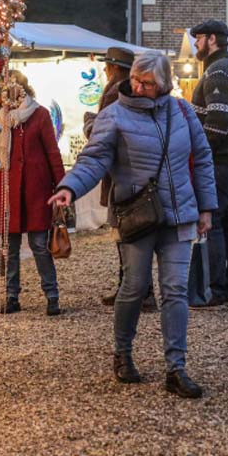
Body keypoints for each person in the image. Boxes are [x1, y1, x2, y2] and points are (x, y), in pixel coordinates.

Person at [49, 51, 217, 398]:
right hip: (137, 216)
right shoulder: (114, 116)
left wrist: (206, 208)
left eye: (148, 83)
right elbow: (94, 160)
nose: (139, 87)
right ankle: (123, 354)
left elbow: (201, 158)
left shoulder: (183, 112)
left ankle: (176, 367)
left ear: (164, 84)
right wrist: (69, 186)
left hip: (179, 216)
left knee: (175, 291)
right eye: (136, 80)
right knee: (135, 287)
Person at [0, 72, 65, 316]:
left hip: (35, 189)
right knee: (10, 247)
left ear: (23, 89)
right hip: (8, 188)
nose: (9, 93)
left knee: (39, 245)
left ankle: (51, 295)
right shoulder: (0, 118)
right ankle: (11, 296)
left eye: (14, 88)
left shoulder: (40, 115)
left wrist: (62, 186)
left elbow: (52, 152)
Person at [86, 47, 155, 311]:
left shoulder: (116, 94)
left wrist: (89, 123)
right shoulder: (124, 93)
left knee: (128, 234)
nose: (104, 71)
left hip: (121, 176)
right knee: (129, 235)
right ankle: (131, 288)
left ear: (114, 69)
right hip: (128, 174)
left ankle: (136, 291)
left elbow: (104, 134)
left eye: (106, 67)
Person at [188, 19, 228, 307]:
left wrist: (200, 154)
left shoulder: (218, 71)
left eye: (198, 38)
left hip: (222, 159)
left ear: (212, 39)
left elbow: (218, 123)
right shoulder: (225, 66)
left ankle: (219, 288)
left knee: (215, 221)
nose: (195, 44)